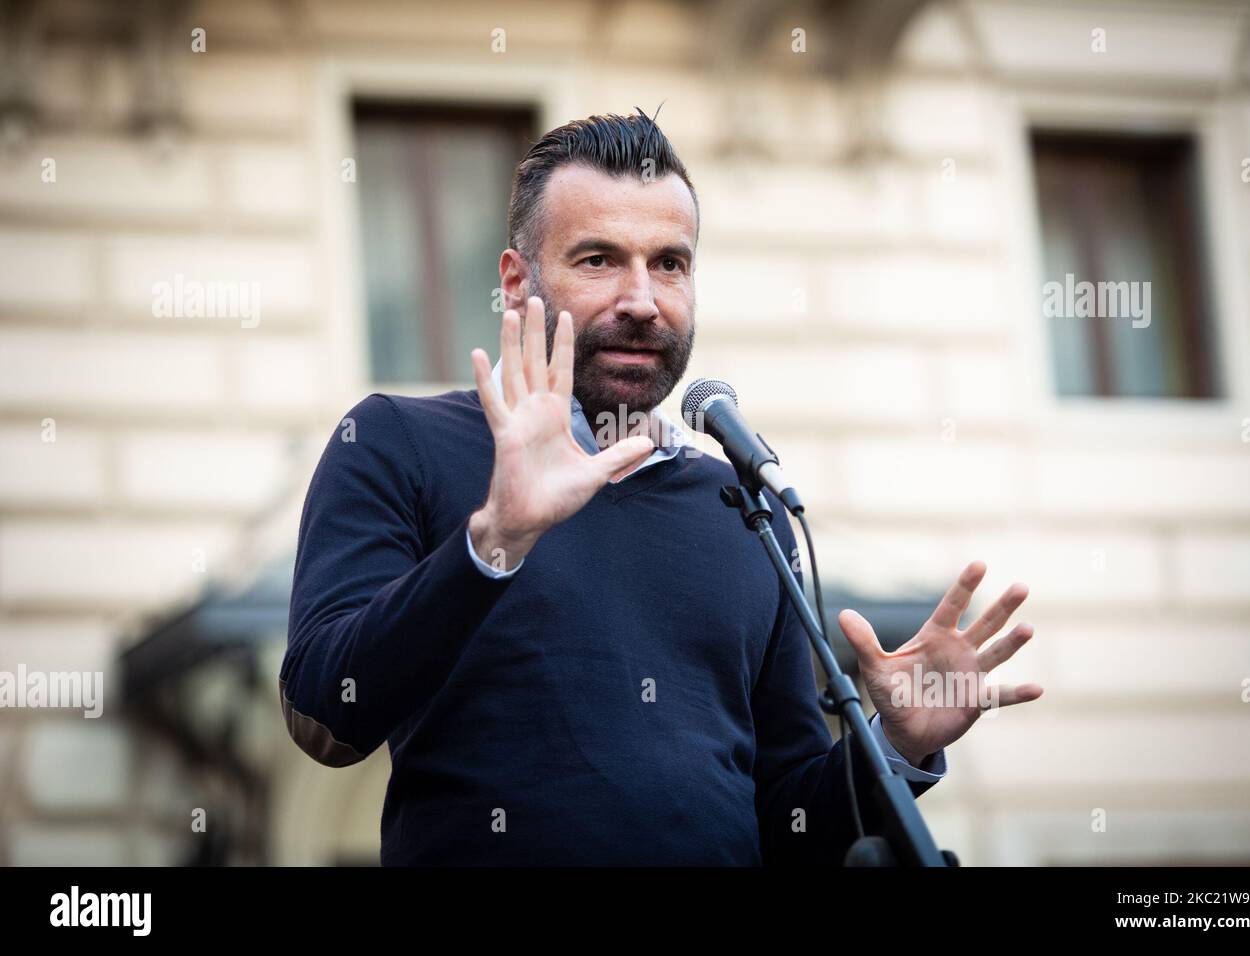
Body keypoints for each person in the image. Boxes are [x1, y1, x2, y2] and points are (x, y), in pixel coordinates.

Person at [279, 109, 1043, 865]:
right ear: (517, 283)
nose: (642, 300)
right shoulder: (395, 442)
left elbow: (788, 827)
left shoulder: (745, 508)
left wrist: (895, 743)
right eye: (598, 260)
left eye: (669, 264)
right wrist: (496, 540)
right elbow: (324, 717)